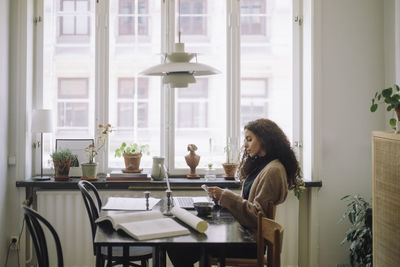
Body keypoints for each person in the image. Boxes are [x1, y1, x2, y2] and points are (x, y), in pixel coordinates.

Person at [167, 118, 301, 266]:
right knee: (181, 244)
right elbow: (249, 203)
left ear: (264, 139)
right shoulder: (262, 164)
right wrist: (221, 198)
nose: (245, 145)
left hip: (249, 243)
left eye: (249, 139)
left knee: (177, 247)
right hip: (243, 235)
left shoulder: (273, 170)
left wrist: (225, 196)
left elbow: (257, 216)